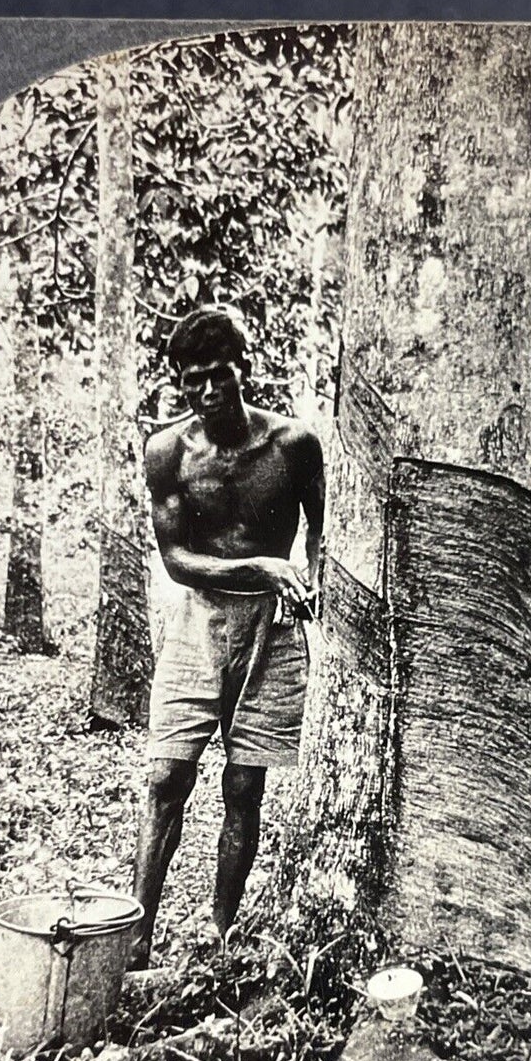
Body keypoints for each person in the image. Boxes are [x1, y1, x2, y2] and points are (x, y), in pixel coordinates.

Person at [130, 307, 325, 969]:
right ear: (178, 384)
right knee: (165, 775)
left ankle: (220, 932)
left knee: (244, 787)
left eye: (218, 376)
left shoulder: (294, 445)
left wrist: (311, 583)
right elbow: (176, 558)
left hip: (272, 629)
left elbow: (322, 532)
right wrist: (260, 568)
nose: (207, 392)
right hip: (197, 621)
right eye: (191, 381)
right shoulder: (167, 452)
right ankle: (136, 932)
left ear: (244, 368)